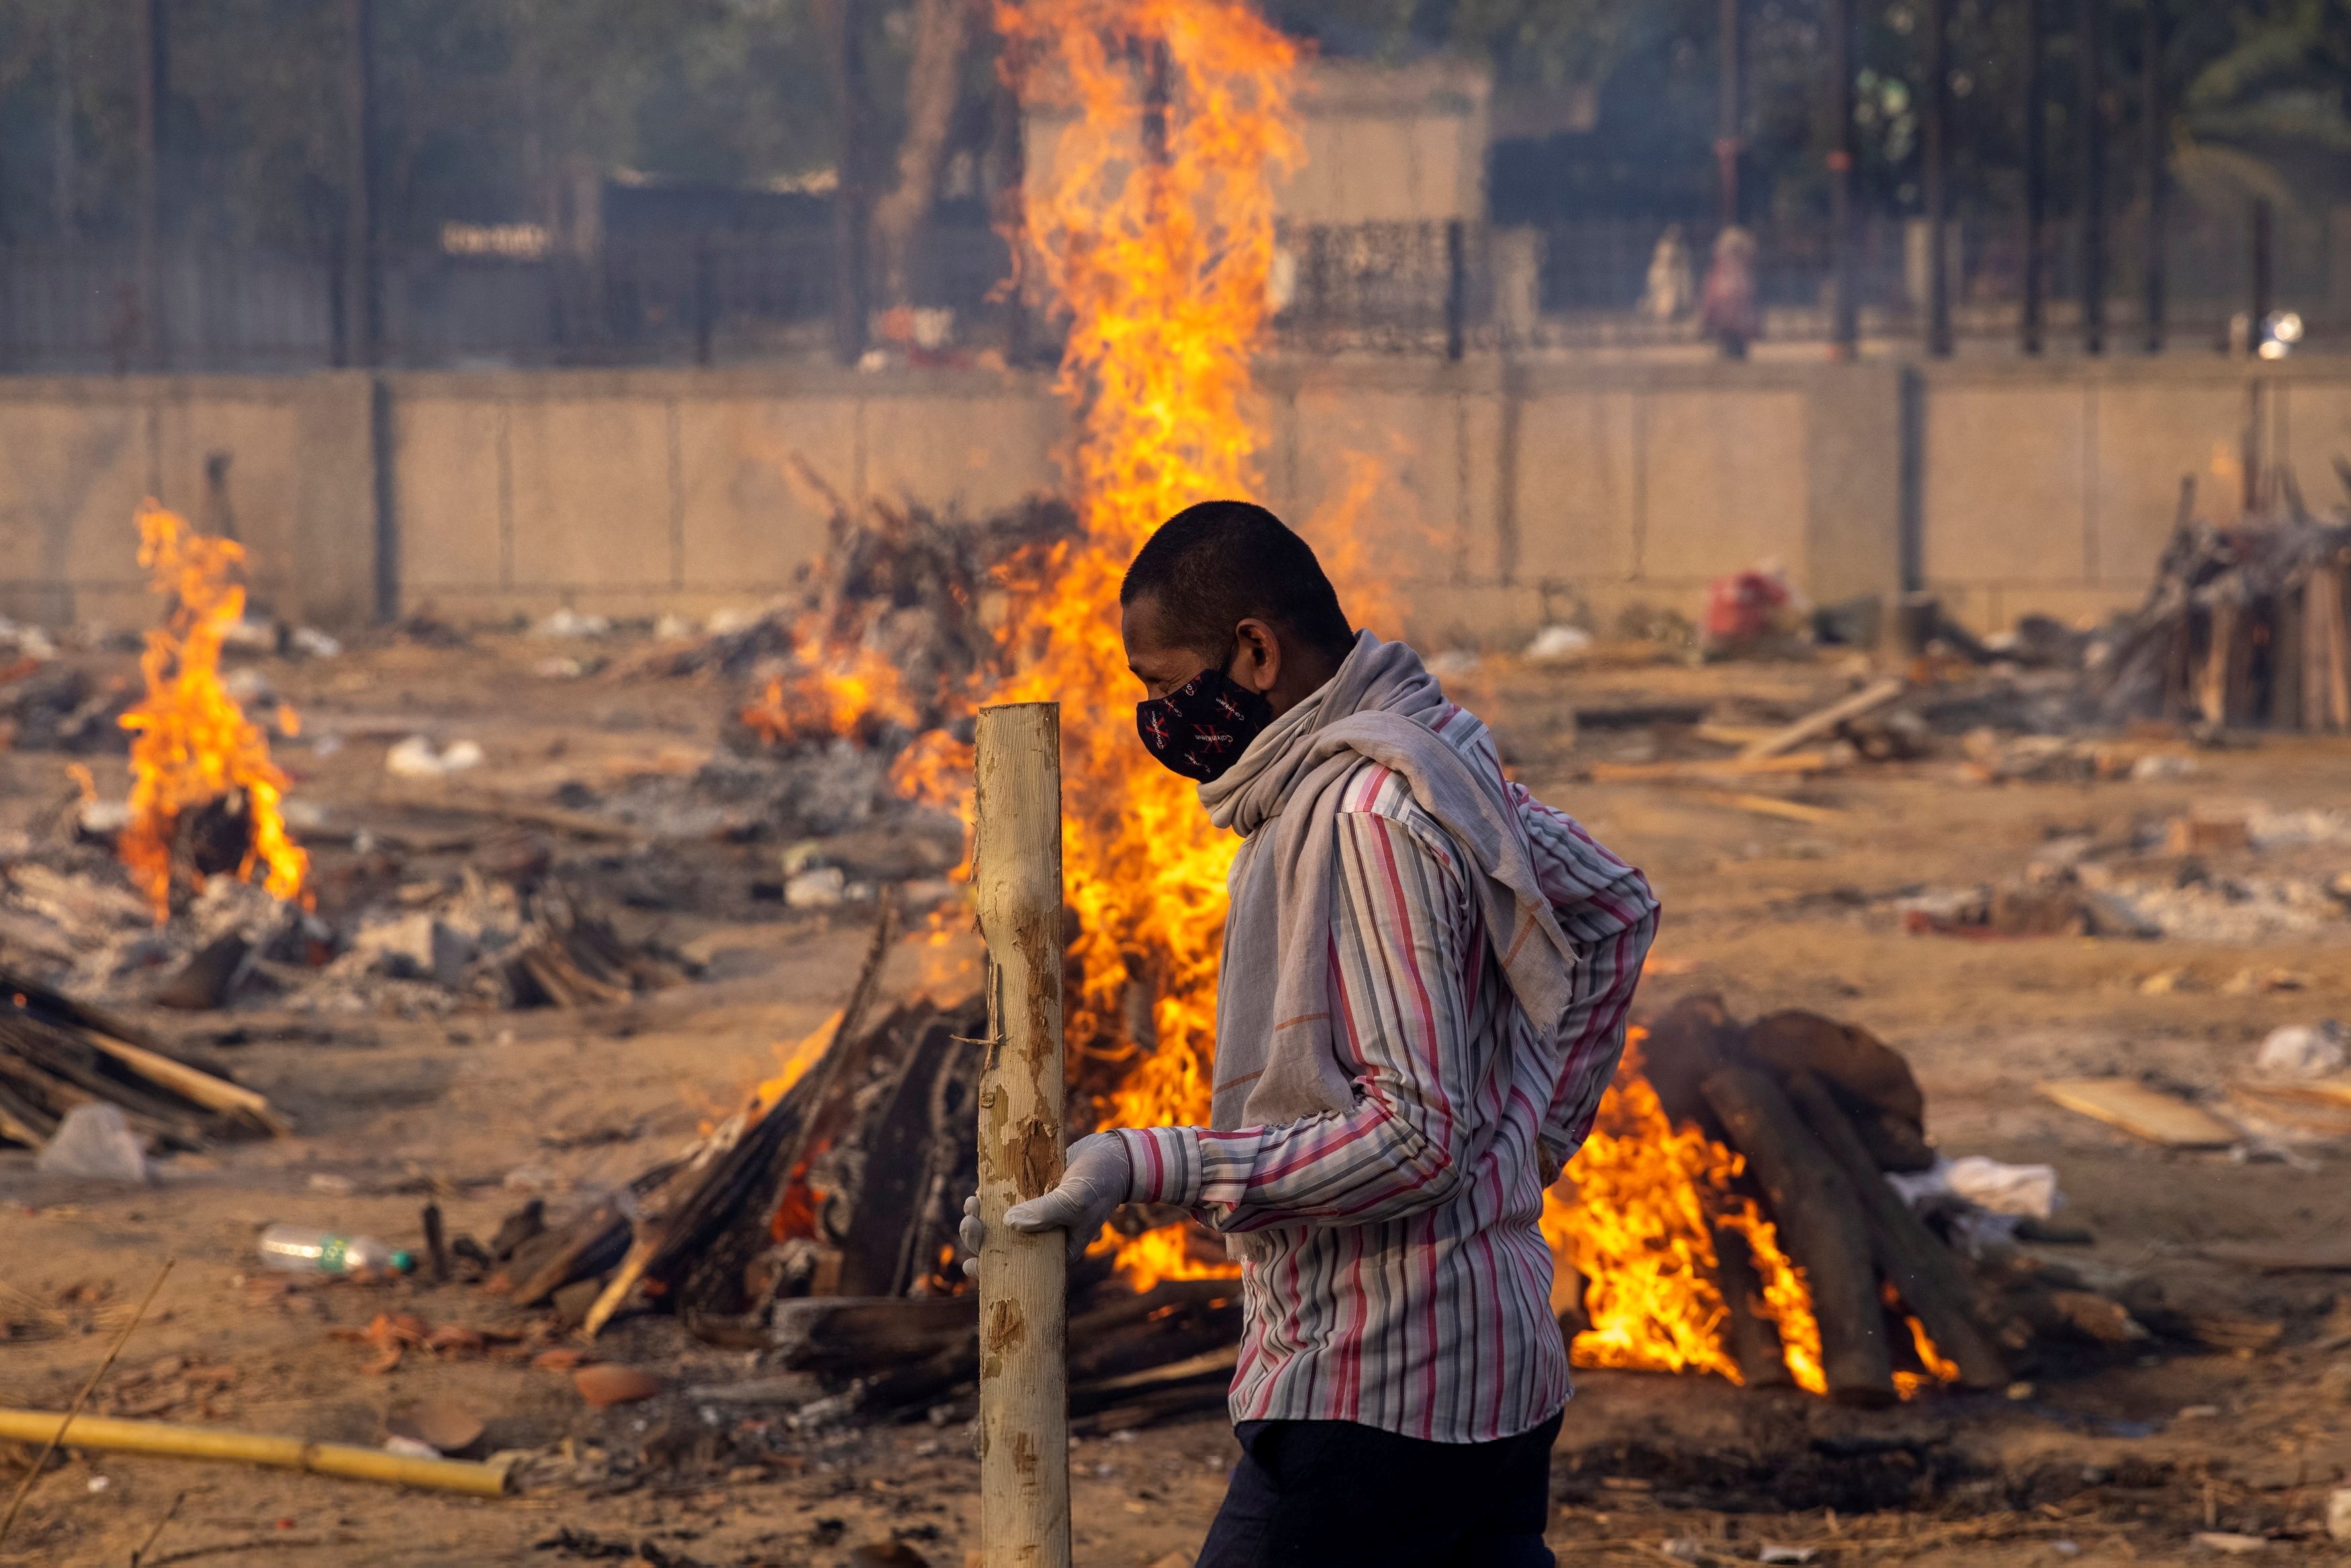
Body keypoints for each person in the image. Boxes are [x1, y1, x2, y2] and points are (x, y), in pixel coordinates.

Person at [962, 500, 1658, 1567]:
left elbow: (1418, 1138)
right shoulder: (1435, 758)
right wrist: (1530, 1135)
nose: (1156, 716)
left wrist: (1152, 1164)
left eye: (1160, 683)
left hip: (1386, 1384)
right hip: (1494, 1371)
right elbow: (1615, 908)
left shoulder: (1364, 816)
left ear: (1254, 651)